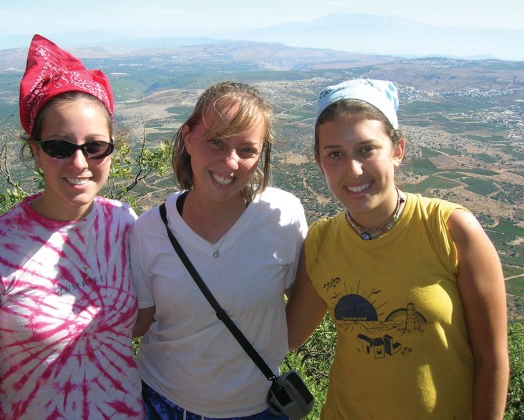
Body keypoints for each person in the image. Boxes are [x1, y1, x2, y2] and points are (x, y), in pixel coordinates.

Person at [0, 34, 144, 419]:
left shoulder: (124, 222)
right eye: (59, 147)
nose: (79, 162)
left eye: (95, 146)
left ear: (111, 149)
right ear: (35, 152)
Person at [286, 78, 510, 419]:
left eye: (366, 149)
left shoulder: (448, 229)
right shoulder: (321, 242)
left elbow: (492, 358)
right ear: (319, 162)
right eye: (335, 154)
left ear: (398, 150)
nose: (353, 169)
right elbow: (286, 335)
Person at [129, 81, 308, 419]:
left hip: (257, 408)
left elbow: (306, 303)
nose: (230, 162)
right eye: (216, 142)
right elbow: (138, 323)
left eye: (247, 150)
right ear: (188, 138)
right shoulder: (148, 230)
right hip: (163, 403)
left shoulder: (284, 216)